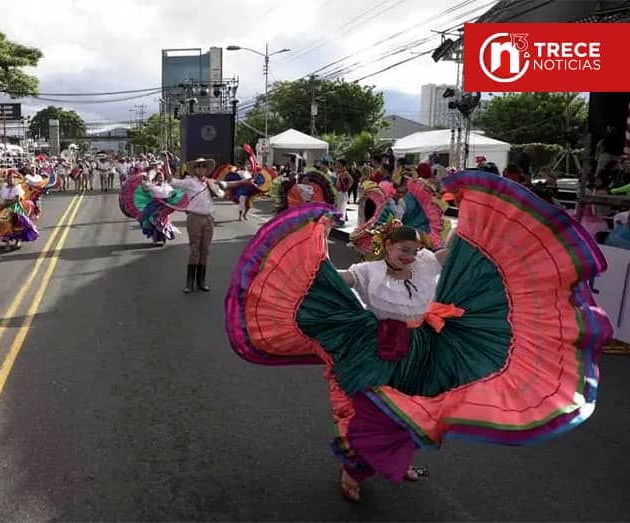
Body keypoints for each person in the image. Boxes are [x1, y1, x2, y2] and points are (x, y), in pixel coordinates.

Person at [225, 171, 611, 503]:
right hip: (376, 347)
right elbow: (329, 279)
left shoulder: (427, 263)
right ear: (387, 247)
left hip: (425, 346)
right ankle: (353, 470)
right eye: (402, 250)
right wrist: (310, 258)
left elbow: (458, 250)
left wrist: (481, 217)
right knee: (372, 411)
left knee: (418, 409)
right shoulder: (368, 271)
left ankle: (400, 459)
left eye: (413, 249)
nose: (409, 255)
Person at [169, 158, 222, 293]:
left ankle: (201, 282)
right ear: (195, 169)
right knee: (195, 250)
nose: (201, 169)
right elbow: (172, 181)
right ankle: (189, 283)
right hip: (195, 218)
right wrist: (165, 163)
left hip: (209, 218)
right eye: (198, 166)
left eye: (204, 166)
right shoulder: (189, 181)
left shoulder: (210, 182)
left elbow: (222, 192)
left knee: (205, 250)